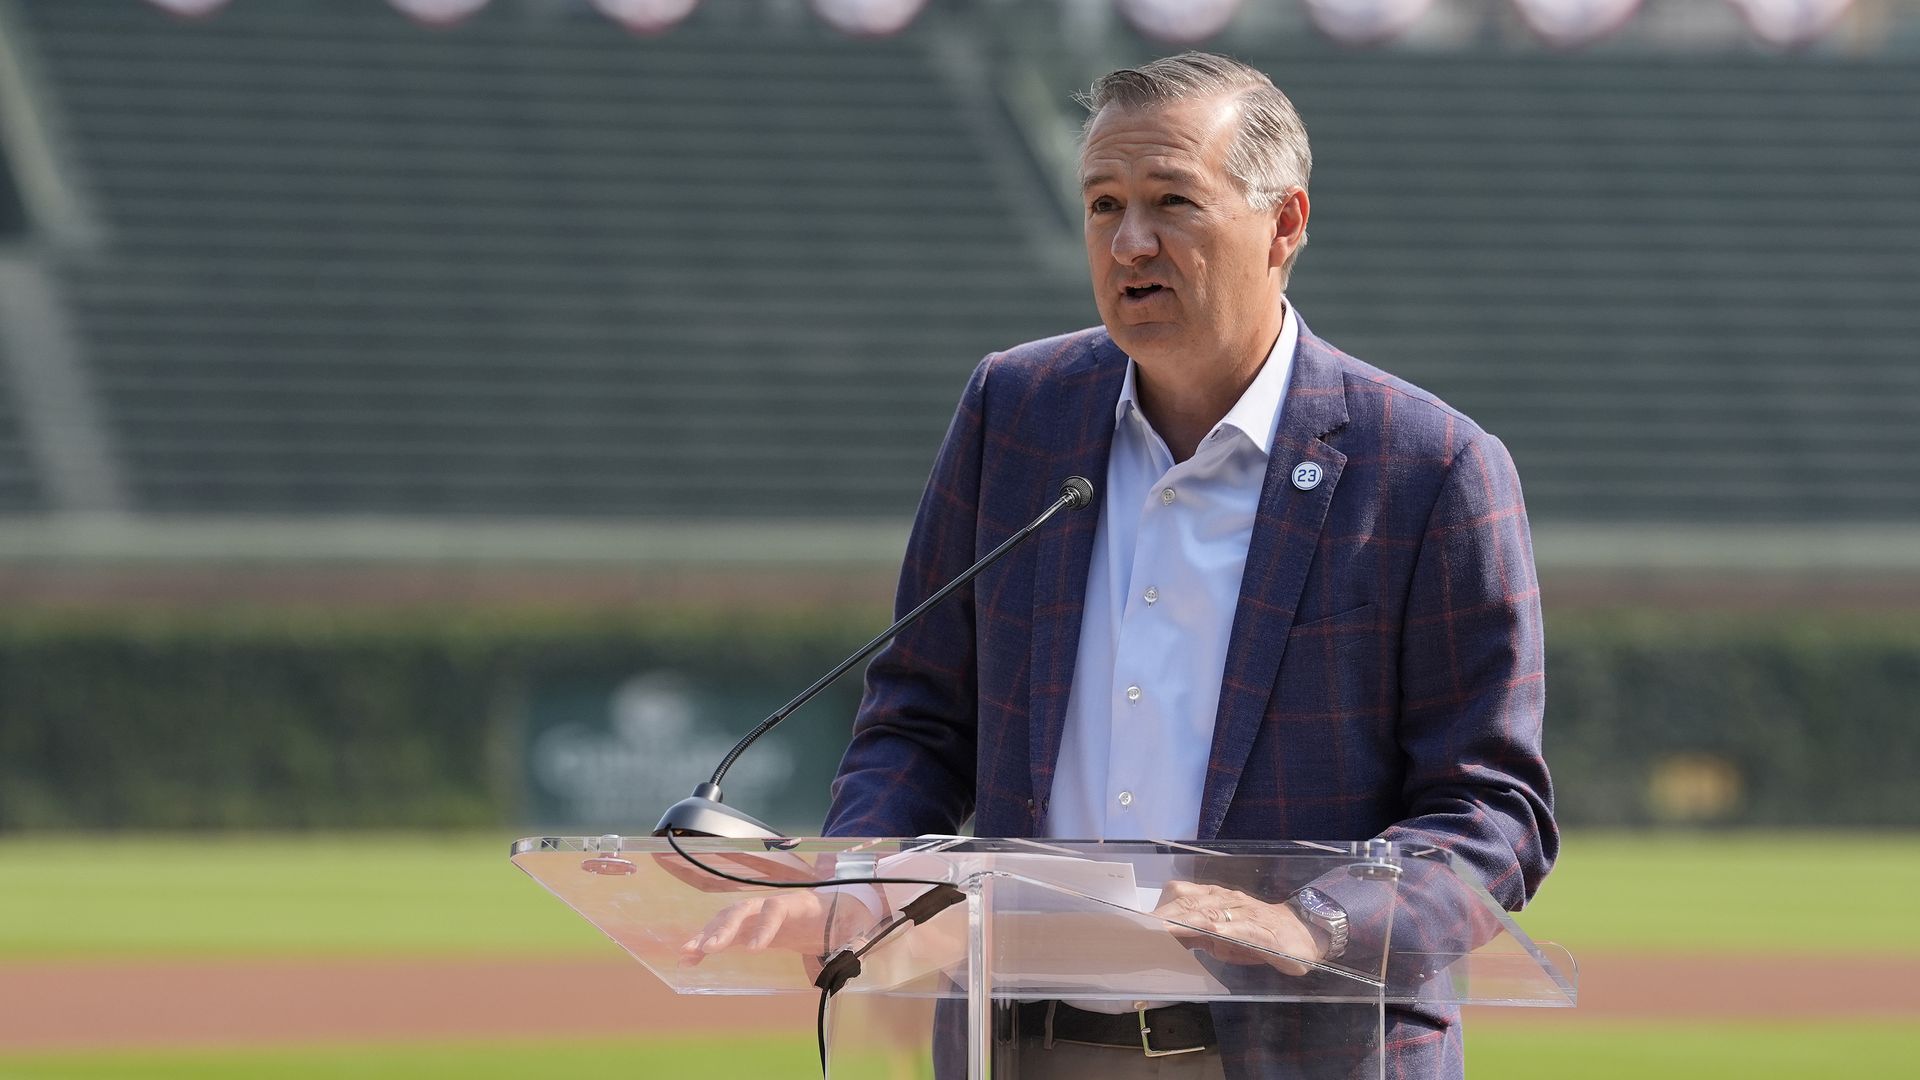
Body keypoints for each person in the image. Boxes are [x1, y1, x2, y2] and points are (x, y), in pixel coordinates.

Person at [690, 52, 1555, 1079]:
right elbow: (920, 718)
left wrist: (1311, 921)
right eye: (1104, 204)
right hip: (1023, 1046)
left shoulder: (1430, 467)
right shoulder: (1014, 413)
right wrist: (865, 880)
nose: (1129, 241)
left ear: (1284, 225)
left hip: (1297, 1052)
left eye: (1172, 202)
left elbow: (1493, 814)